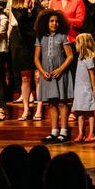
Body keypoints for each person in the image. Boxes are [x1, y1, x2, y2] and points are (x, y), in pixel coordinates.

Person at [34, 9, 74, 143]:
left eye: (57, 21)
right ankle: (54, 132)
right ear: (46, 22)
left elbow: (70, 56)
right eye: (52, 21)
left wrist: (60, 69)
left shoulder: (62, 36)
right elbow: (36, 58)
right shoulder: (41, 37)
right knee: (51, 104)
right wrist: (42, 71)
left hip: (60, 74)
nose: (54, 23)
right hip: (47, 74)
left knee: (62, 102)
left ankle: (63, 131)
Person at [10, 0, 39, 120]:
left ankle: (39, 109)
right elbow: (22, 24)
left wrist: (32, 7)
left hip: (36, 43)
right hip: (23, 45)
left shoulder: (36, 5)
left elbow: (37, 22)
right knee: (26, 78)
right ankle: (26, 109)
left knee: (38, 77)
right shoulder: (15, 8)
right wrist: (26, 8)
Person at [72, 33, 95, 142]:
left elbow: (92, 75)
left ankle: (91, 133)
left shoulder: (88, 59)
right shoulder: (79, 58)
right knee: (80, 112)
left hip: (86, 89)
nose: (75, 46)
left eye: (77, 43)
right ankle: (81, 133)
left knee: (89, 112)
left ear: (82, 44)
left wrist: (94, 89)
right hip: (78, 90)